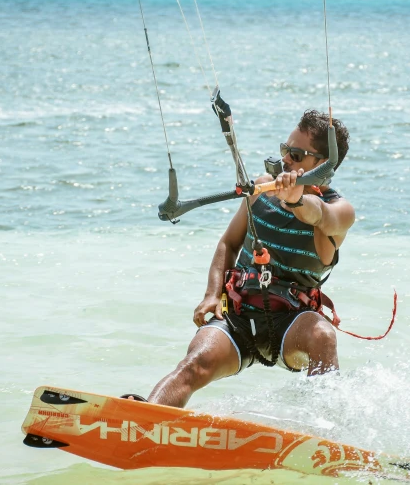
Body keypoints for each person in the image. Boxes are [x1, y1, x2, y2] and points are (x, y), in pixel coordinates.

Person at [145, 109, 354, 408]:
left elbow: (318, 214)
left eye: (296, 155)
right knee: (194, 363)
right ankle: (145, 421)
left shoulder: (340, 210)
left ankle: (325, 431)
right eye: (285, 150)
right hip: (238, 315)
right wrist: (210, 295)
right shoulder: (260, 190)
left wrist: (294, 198)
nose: (285, 161)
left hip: (292, 322)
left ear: (321, 164)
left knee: (323, 335)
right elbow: (228, 244)